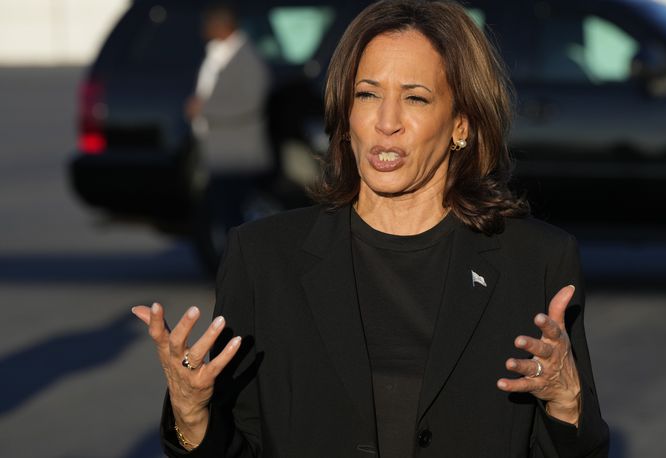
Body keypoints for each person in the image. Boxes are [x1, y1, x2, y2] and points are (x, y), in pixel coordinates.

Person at [132, 1, 610, 456]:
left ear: (461, 124)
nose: (386, 122)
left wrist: (565, 402)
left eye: (416, 98)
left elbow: (576, 450)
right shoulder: (262, 258)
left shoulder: (536, 261)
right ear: (345, 115)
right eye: (367, 94)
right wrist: (192, 413)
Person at [186, 2, 272, 267]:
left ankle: (241, 268)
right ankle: (236, 266)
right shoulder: (220, 54)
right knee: (223, 214)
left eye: (209, 23)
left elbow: (250, 101)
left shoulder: (246, 58)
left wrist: (205, 108)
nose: (204, 29)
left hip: (237, 157)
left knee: (235, 216)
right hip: (221, 153)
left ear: (223, 25)